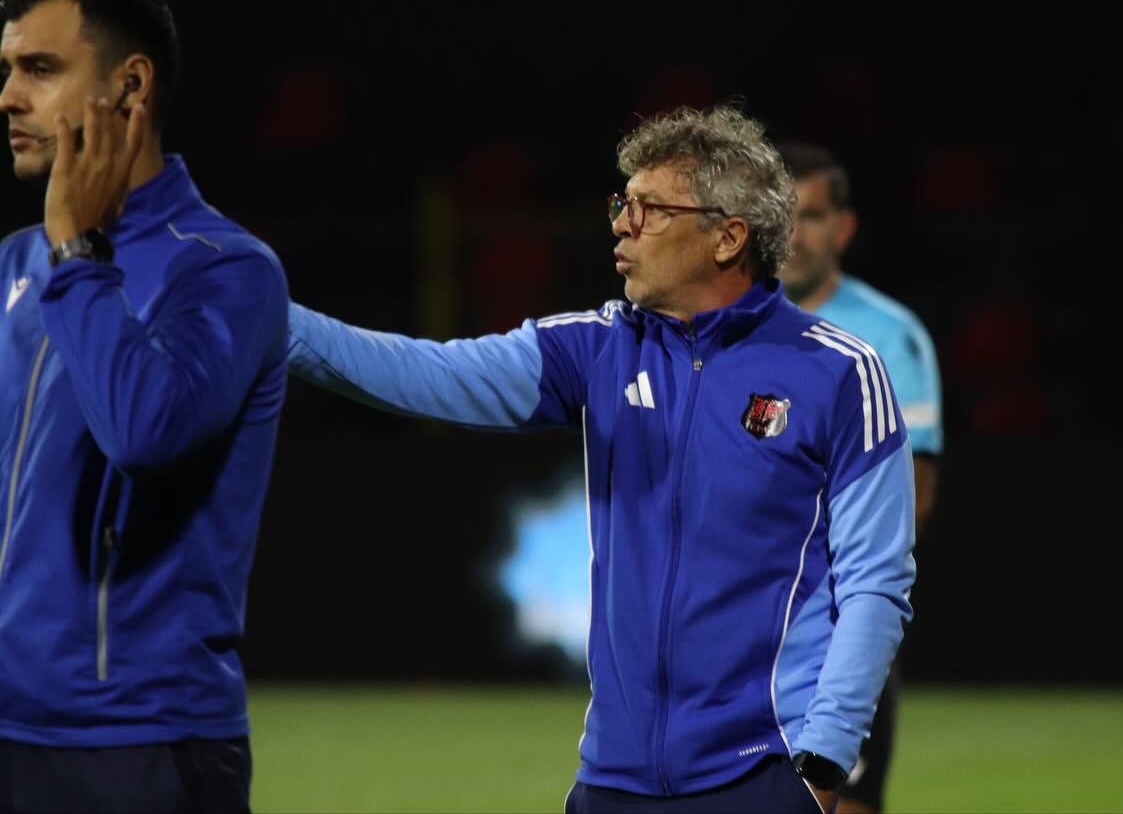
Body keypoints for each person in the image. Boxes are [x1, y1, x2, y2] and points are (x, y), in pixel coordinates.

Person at [287, 106, 916, 813]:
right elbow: (421, 373)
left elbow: (875, 582)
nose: (622, 224)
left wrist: (824, 760)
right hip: (614, 778)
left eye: (651, 209)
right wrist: (272, 321)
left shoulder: (839, 373)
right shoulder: (595, 349)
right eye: (624, 203)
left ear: (728, 236)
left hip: (761, 772)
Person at [0, 0, 288, 812]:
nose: (8, 97)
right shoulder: (14, 263)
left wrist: (78, 254)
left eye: (40, 69)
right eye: (7, 71)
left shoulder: (226, 270)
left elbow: (145, 431)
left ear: (130, 85)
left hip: (142, 744)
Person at [778, 143, 943, 814]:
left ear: (843, 228)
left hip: (832, 629)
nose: (794, 234)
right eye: (780, 213)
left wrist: (848, 604)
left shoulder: (889, 336)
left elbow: (915, 489)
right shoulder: (720, 328)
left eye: (812, 215)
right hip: (735, 631)